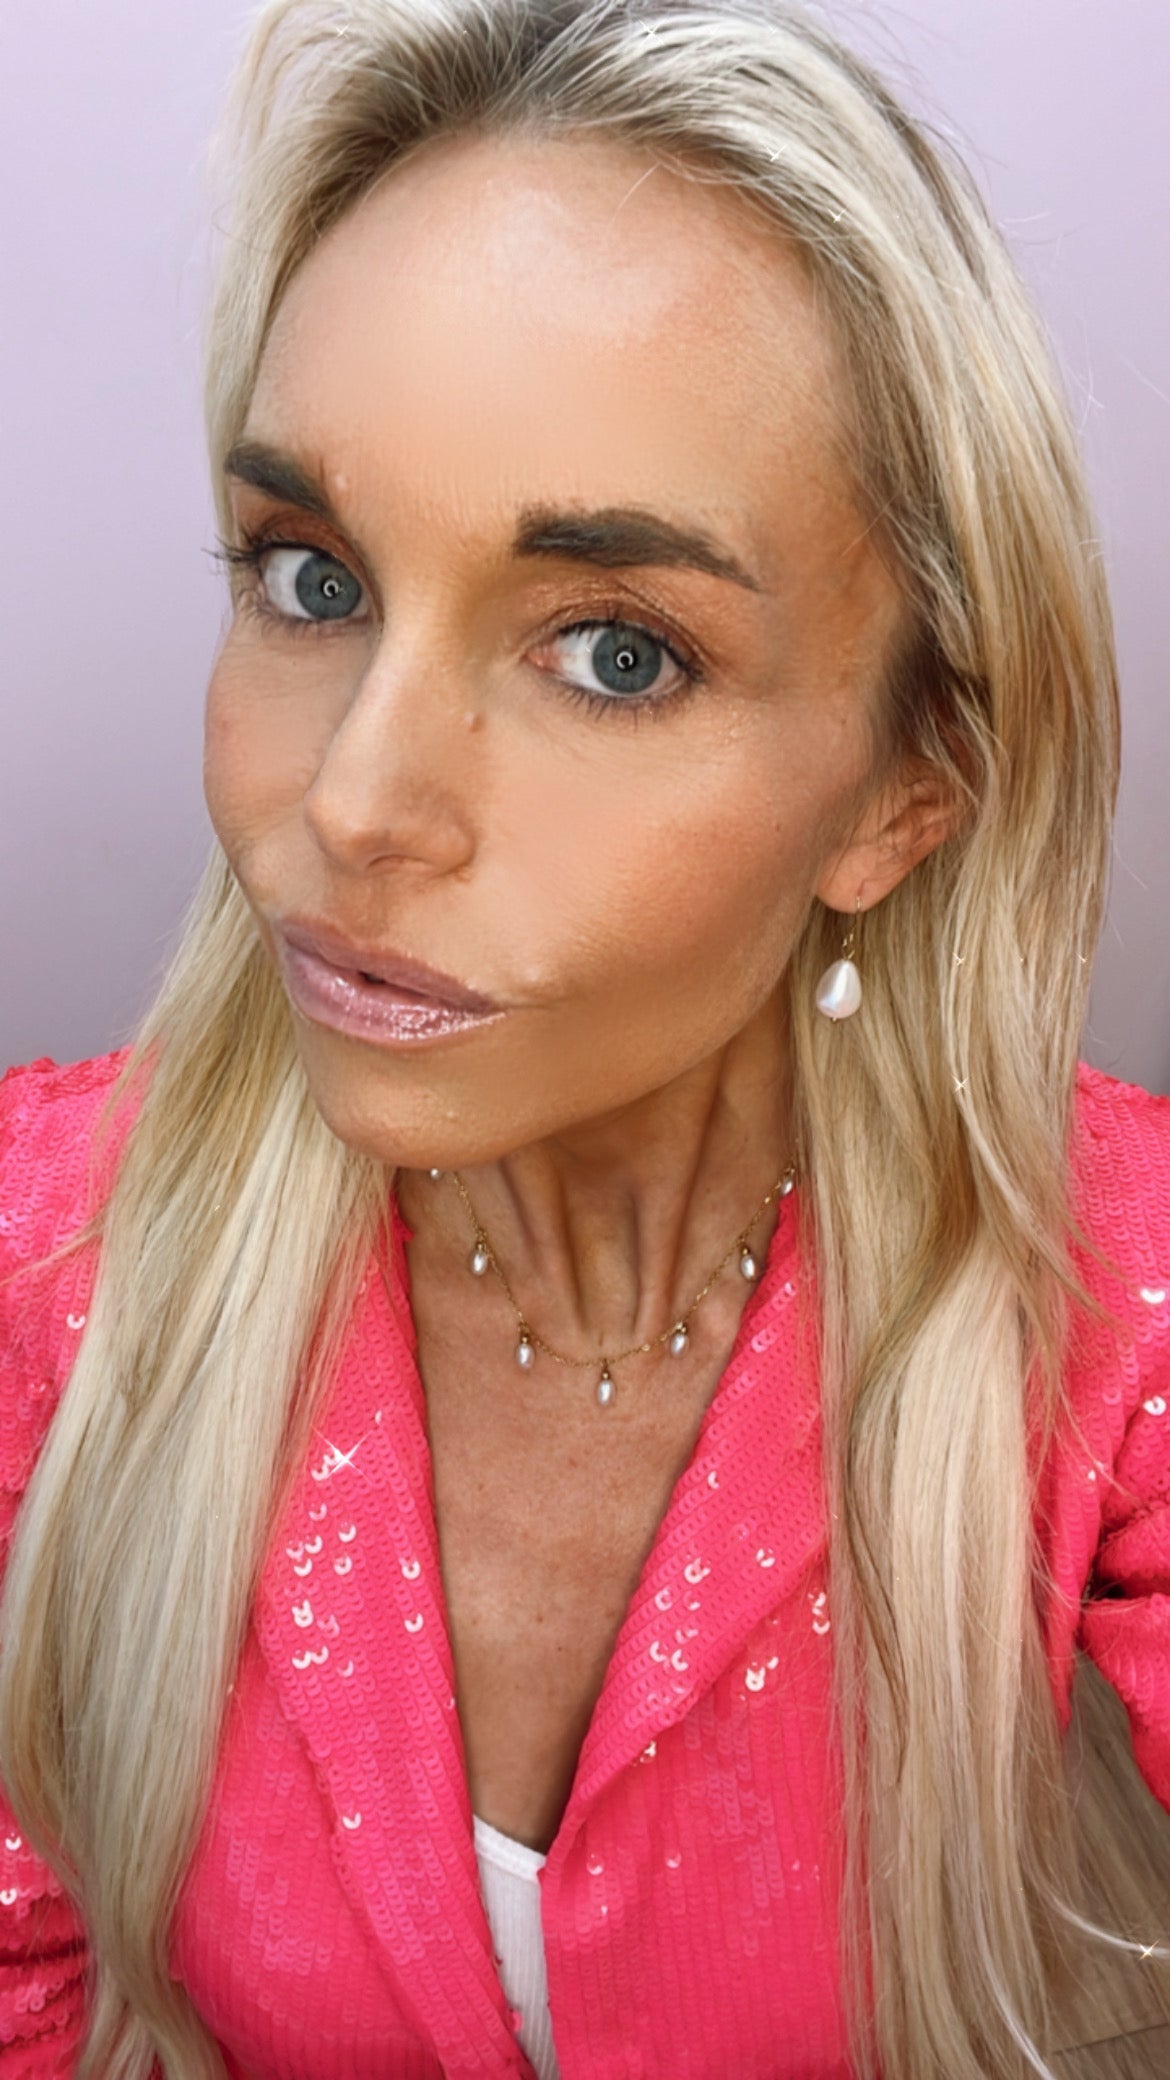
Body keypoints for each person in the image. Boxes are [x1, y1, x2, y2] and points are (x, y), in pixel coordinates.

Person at [1, 0, 1167, 2075]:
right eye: (311, 577)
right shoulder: (39, 1264)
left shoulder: (1120, 1324)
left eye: (616, 652)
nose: (356, 801)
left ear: (904, 793)